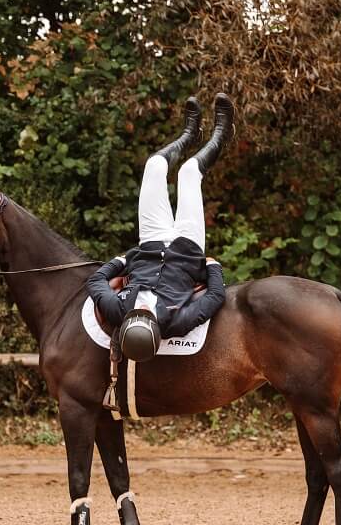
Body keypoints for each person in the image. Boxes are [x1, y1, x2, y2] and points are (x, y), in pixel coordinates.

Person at [87, 94, 233, 362]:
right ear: (156, 327)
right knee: (189, 173)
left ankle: (190, 135)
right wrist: (212, 267)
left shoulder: (117, 309)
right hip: (188, 248)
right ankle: (222, 135)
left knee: (154, 166)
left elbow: (95, 281)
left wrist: (122, 260)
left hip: (151, 242)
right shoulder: (177, 321)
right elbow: (214, 297)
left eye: (137, 314)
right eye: (148, 315)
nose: (143, 309)